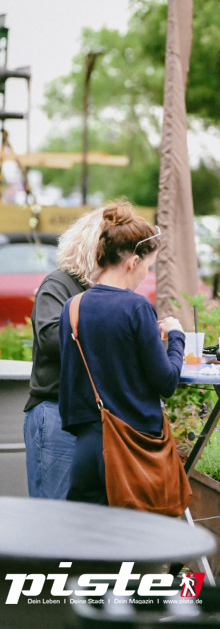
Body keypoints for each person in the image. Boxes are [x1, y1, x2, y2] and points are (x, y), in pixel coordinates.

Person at [58, 202, 184, 505]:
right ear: (132, 262)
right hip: (133, 448)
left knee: (82, 542)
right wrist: (177, 338)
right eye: (147, 267)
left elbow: (71, 388)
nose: (146, 274)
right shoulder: (136, 307)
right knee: (131, 544)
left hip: (88, 449)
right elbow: (166, 382)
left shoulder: (72, 308)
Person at [23, 207, 105, 499]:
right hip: (54, 411)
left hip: (89, 419)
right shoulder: (58, 283)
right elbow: (49, 340)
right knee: (52, 517)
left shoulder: (107, 292)